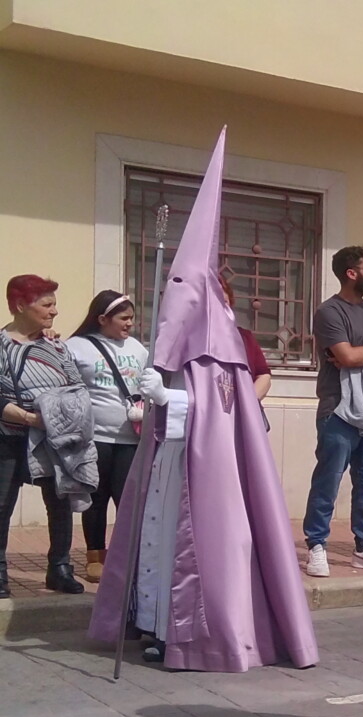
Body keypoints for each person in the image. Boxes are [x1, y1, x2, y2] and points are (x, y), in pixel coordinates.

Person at [88, 128, 317, 672]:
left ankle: (183, 634)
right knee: (151, 539)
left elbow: (220, 413)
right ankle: (150, 621)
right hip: (168, 463)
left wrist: (167, 395)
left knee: (183, 548)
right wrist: (159, 392)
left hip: (201, 476)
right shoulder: (178, 344)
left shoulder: (221, 346)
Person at [302, 245, 363, 577]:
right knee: (328, 480)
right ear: (351, 273)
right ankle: (316, 545)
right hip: (338, 410)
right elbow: (345, 357)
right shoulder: (330, 312)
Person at [0, 275, 89, 597]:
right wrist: (29, 418)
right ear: (22, 305)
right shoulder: (1, 345)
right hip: (9, 436)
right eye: (46, 304)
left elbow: (75, 384)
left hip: (54, 438)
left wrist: (58, 416)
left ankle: (60, 568)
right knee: (2, 505)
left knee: (61, 500)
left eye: (54, 304)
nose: (54, 312)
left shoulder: (54, 345)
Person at [66, 291, 147, 583]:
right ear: (102, 319)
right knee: (96, 499)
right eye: (124, 318)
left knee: (127, 500)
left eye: (132, 318)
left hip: (130, 440)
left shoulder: (137, 349)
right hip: (93, 439)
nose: (130, 324)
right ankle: (95, 556)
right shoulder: (75, 347)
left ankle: (124, 555)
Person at [218, 275, 271, 401]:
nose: (220, 308)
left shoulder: (245, 338)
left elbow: (263, 375)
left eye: (224, 302)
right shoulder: (192, 339)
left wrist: (247, 403)